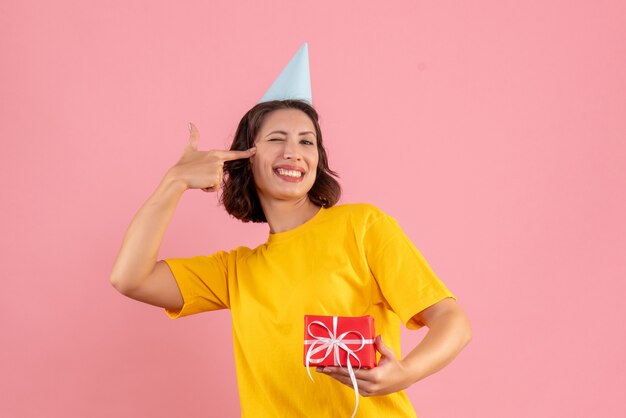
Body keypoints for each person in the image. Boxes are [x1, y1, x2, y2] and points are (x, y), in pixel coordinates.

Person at [110, 45, 472, 417]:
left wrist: (404, 374)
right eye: (276, 139)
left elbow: (452, 321)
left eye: (306, 141)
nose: (293, 152)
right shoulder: (236, 271)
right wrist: (173, 183)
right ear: (245, 161)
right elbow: (129, 278)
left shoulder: (362, 226)